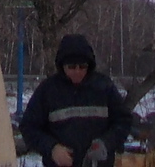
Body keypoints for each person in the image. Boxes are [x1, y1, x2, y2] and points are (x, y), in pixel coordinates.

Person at [20, 35, 134, 167]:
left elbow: (123, 121)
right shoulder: (48, 91)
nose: (77, 71)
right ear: (62, 66)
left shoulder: (104, 88)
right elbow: (29, 127)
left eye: (82, 66)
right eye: (72, 67)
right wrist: (52, 148)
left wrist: (106, 143)